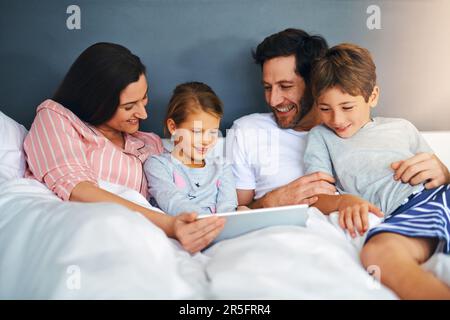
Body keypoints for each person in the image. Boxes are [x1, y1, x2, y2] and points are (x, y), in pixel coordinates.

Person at [23, 42, 224, 254]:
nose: (144, 114)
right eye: (129, 107)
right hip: (89, 233)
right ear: (96, 101)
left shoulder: (149, 143)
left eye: (144, 98)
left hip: (146, 238)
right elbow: (78, 190)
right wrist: (169, 225)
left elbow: (174, 191)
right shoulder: (56, 118)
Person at [229, 28, 450, 211]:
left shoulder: (391, 129)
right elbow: (229, 213)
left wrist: (444, 174)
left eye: (286, 86)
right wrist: (272, 201)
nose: (274, 99)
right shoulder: (249, 131)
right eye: (267, 87)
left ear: (314, 83)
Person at [304, 43, 450, 299]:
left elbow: (439, 172)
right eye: (324, 108)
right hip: (408, 209)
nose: (336, 119)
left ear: (372, 96)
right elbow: (315, 196)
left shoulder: (402, 128)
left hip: (437, 194)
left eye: (347, 107)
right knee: (378, 253)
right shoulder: (320, 137)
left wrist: (445, 173)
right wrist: (344, 200)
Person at [145, 82, 239, 216]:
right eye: (197, 132)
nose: (207, 140)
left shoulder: (222, 166)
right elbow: (173, 202)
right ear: (173, 127)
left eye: (213, 132)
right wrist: (208, 223)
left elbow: (228, 207)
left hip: (219, 230)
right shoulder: (158, 165)